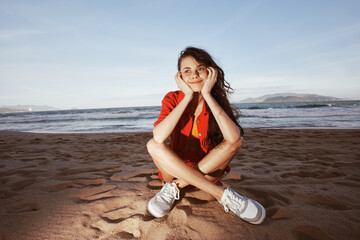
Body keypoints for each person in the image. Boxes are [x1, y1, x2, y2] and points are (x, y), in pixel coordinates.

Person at [146, 47, 266, 224]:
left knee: (236, 142)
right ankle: (222, 195)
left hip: (208, 171)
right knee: (152, 144)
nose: (194, 75)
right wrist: (187, 96)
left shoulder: (216, 100)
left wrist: (207, 94)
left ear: (210, 72)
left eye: (199, 68)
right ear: (179, 76)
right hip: (173, 169)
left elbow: (234, 139)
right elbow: (159, 136)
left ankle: (175, 187)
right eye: (187, 71)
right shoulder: (172, 98)